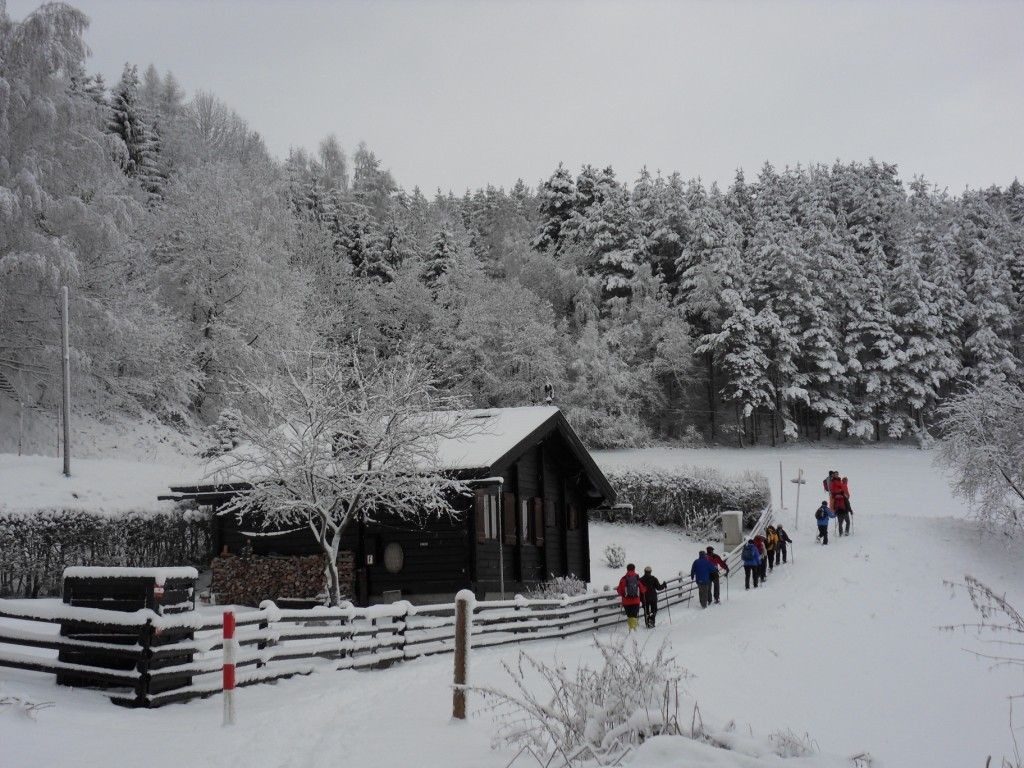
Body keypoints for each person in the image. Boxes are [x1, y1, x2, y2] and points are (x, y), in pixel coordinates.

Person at [616, 563, 647, 630]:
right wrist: (645, 589)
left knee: (630, 616)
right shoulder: (637, 578)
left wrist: (624, 595)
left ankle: (632, 629)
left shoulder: (623, 579)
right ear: (634, 569)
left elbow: (619, 591)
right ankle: (633, 629)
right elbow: (642, 590)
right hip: (636, 601)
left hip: (626, 602)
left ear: (627, 569)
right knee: (634, 616)